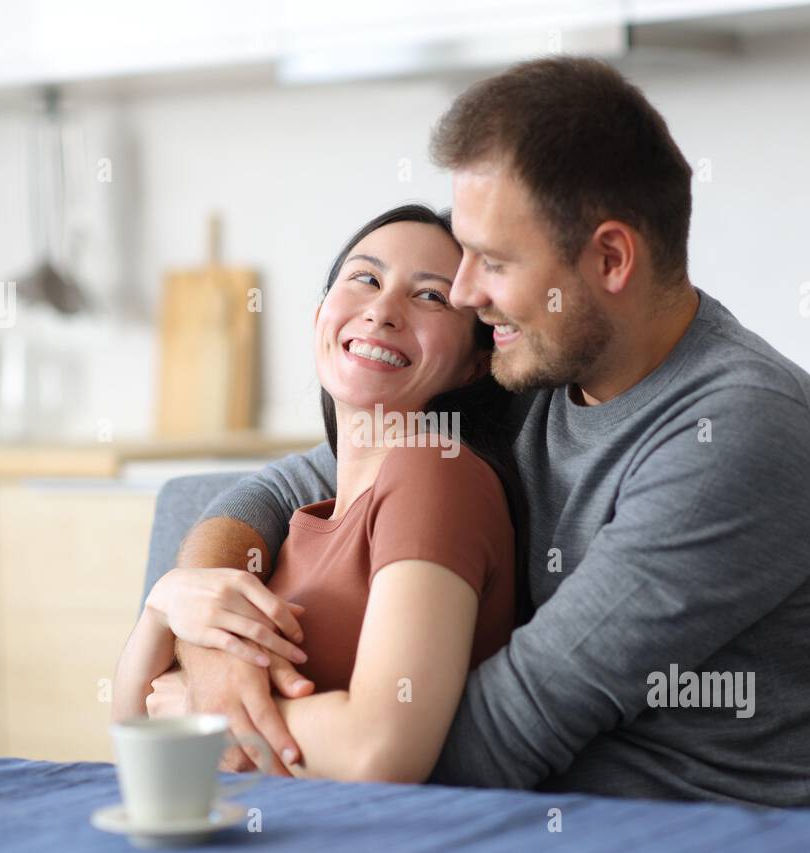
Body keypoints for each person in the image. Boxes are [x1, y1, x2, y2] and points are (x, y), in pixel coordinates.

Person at [146, 56, 810, 816]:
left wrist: (209, 722)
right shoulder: (530, 366)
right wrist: (212, 635)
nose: (468, 293)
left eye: (494, 262)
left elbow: (497, 736)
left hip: (732, 837)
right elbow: (294, 484)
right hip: (548, 820)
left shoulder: (737, 428)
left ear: (610, 258)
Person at [114, 204, 530, 783]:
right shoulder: (303, 518)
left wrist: (204, 715)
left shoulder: (436, 469)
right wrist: (165, 600)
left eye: (431, 297)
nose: (383, 311)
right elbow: (136, 727)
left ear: (474, 364)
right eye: (366, 278)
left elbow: (380, 752)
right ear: (320, 318)